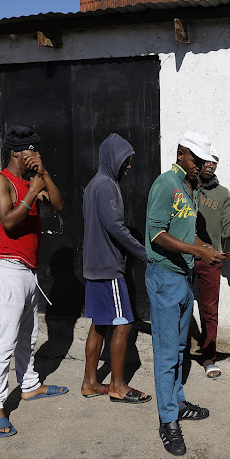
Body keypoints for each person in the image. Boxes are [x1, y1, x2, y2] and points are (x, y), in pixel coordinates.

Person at [145, 131, 227, 456]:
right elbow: (156, 234)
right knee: (166, 354)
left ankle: (177, 403)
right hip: (164, 277)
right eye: (196, 160)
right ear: (181, 154)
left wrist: (203, 247)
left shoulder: (189, 188)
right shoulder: (166, 184)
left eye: (203, 161)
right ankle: (168, 422)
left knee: (179, 347)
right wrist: (196, 249)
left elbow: (185, 229)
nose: (201, 167)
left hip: (183, 278)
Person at [0, 126, 68, 437]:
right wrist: (32, 191)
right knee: (5, 340)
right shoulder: (1, 182)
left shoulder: (31, 179)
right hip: (8, 270)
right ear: (17, 153)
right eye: (31, 151)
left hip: (29, 271)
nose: (35, 155)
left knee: (29, 334)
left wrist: (43, 173)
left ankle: (29, 384)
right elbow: (8, 220)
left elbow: (58, 205)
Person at [81, 133, 152, 404]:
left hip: (93, 266)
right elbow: (115, 227)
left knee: (99, 325)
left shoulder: (92, 185)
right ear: (113, 158)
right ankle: (118, 386)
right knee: (124, 324)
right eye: (126, 160)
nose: (129, 166)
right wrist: (143, 253)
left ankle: (89, 382)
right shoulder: (107, 185)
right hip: (109, 267)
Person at [194, 146, 230, 379]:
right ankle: (176, 354)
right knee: (180, 306)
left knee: (209, 310)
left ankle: (209, 357)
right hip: (182, 255)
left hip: (211, 259)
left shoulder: (223, 194)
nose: (211, 165)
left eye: (215, 162)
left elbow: (228, 224)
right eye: (207, 160)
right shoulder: (185, 187)